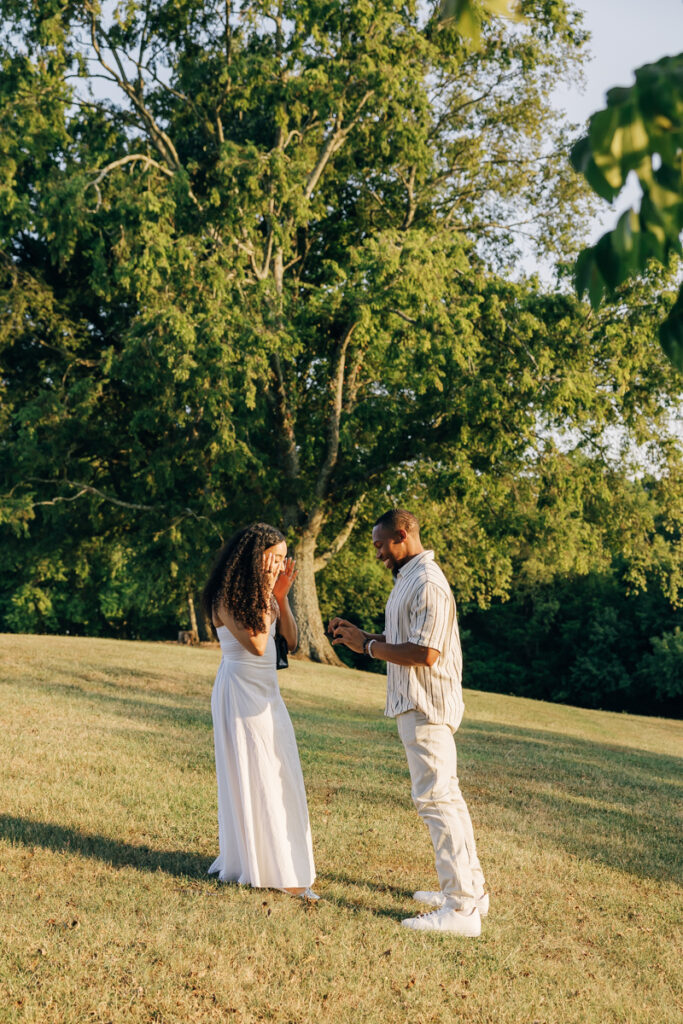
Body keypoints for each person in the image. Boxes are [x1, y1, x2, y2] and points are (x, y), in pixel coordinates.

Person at [328, 509, 486, 936]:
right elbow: (405, 641)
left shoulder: (429, 583)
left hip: (427, 707)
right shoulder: (409, 580)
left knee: (436, 801)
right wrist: (366, 639)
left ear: (402, 535)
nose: (377, 553)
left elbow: (425, 653)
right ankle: (473, 891)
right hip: (415, 705)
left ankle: (461, 909)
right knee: (446, 798)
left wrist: (368, 648)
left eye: (381, 544)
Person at [202, 522, 317, 899]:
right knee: (258, 774)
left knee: (280, 772)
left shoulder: (264, 594)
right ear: (256, 556)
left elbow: (292, 641)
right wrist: (267, 592)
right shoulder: (227, 596)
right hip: (240, 694)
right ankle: (261, 865)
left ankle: (280, 860)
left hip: (268, 694)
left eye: (285, 559)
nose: (282, 565)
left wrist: (281, 598)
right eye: (276, 558)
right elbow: (255, 644)